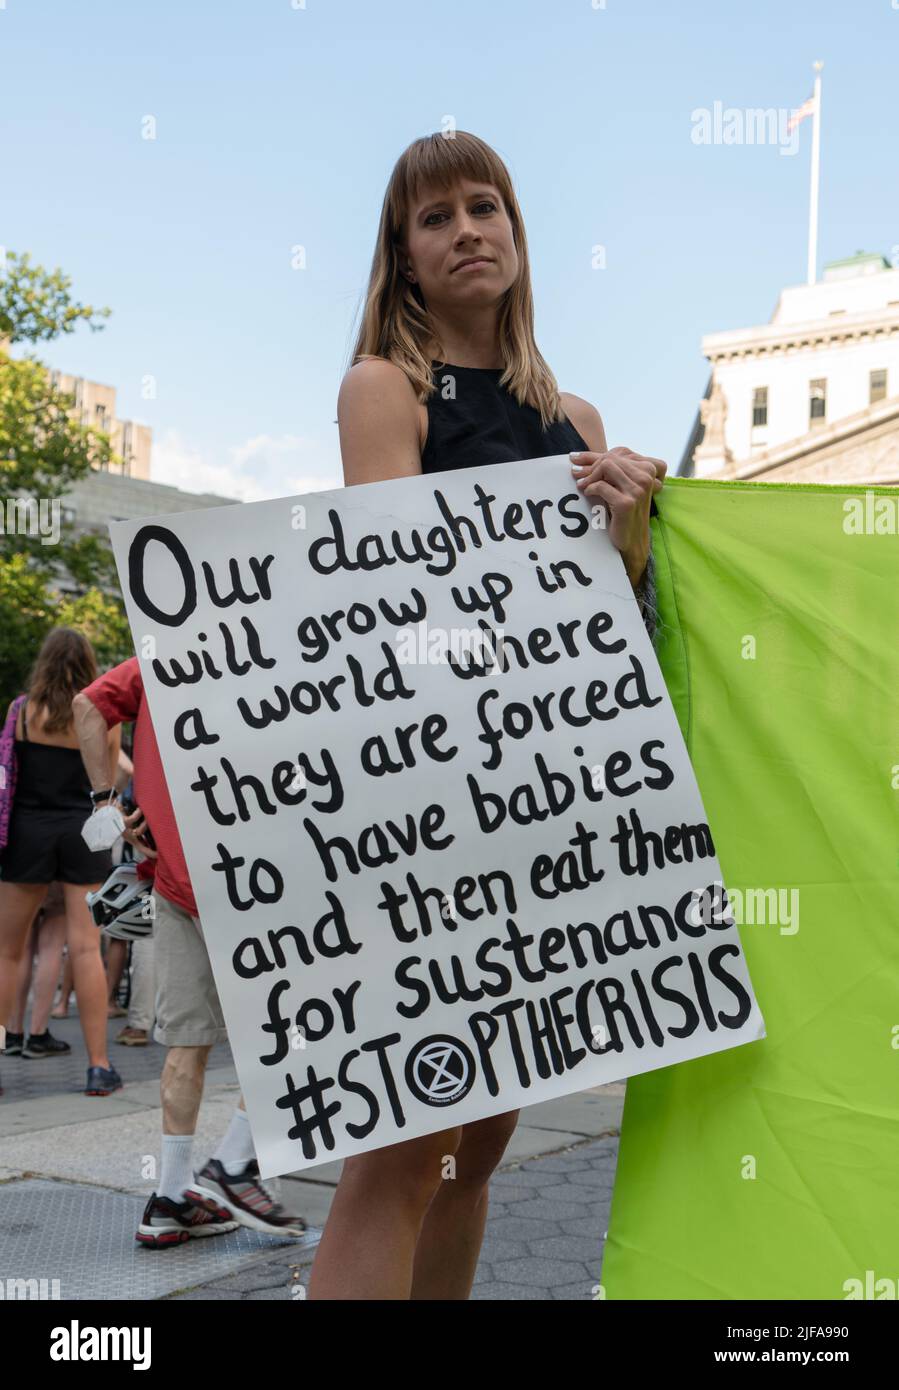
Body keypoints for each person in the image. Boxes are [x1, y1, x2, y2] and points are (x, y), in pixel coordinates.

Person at [308, 130, 666, 1300]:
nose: (467, 229)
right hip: (427, 810)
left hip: (540, 811)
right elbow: (396, 607)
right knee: (401, 1153)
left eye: (484, 207)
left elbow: (603, 641)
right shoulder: (384, 388)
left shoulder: (573, 413)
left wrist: (631, 538)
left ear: (515, 231)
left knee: (478, 1145)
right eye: (435, 217)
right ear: (402, 257)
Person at [73, 658, 307, 1247]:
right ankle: (232, 1166)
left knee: (187, 1045)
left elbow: (87, 705)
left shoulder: (160, 652)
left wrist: (106, 801)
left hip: (175, 875)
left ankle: (171, 1199)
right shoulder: (279, 645)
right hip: (258, 877)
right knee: (298, 1029)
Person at [0, 629, 123, 1097]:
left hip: (27, 832)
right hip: (83, 832)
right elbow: (106, 785)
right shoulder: (104, 717)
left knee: (7, 952)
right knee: (86, 949)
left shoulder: (22, 711)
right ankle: (98, 1065)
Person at [4, 881, 70, 1058]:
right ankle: (37, 1036)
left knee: (20, 949)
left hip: (21, 864)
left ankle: (11, 1034)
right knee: (52, 944)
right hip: (58, 866)